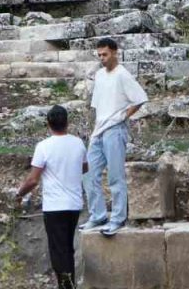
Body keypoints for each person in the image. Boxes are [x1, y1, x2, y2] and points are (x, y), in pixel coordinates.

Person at [80, 37, 149, 237]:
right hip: (99, 130)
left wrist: (123, 117)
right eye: (99, 55)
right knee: (88, 173)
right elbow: (98, 105)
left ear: (115, 53)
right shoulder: (100, 75)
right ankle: (98, 215)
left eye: (105, 54)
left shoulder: (122, 74)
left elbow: (140, 99)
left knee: (115, 176)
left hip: (115, 130)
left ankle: (118, 218)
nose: (102, 58)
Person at [15, 105, 88, 289]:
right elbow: (85, 167)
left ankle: (66, 286)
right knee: (67, 247)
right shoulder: (78, 143)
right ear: (67, 123)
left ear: (48, 124)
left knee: (58, 251)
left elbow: (33, 180)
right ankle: (69, 284)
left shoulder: (43, 147)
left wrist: (19, 193)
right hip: (74, 204)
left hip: (55, 206)